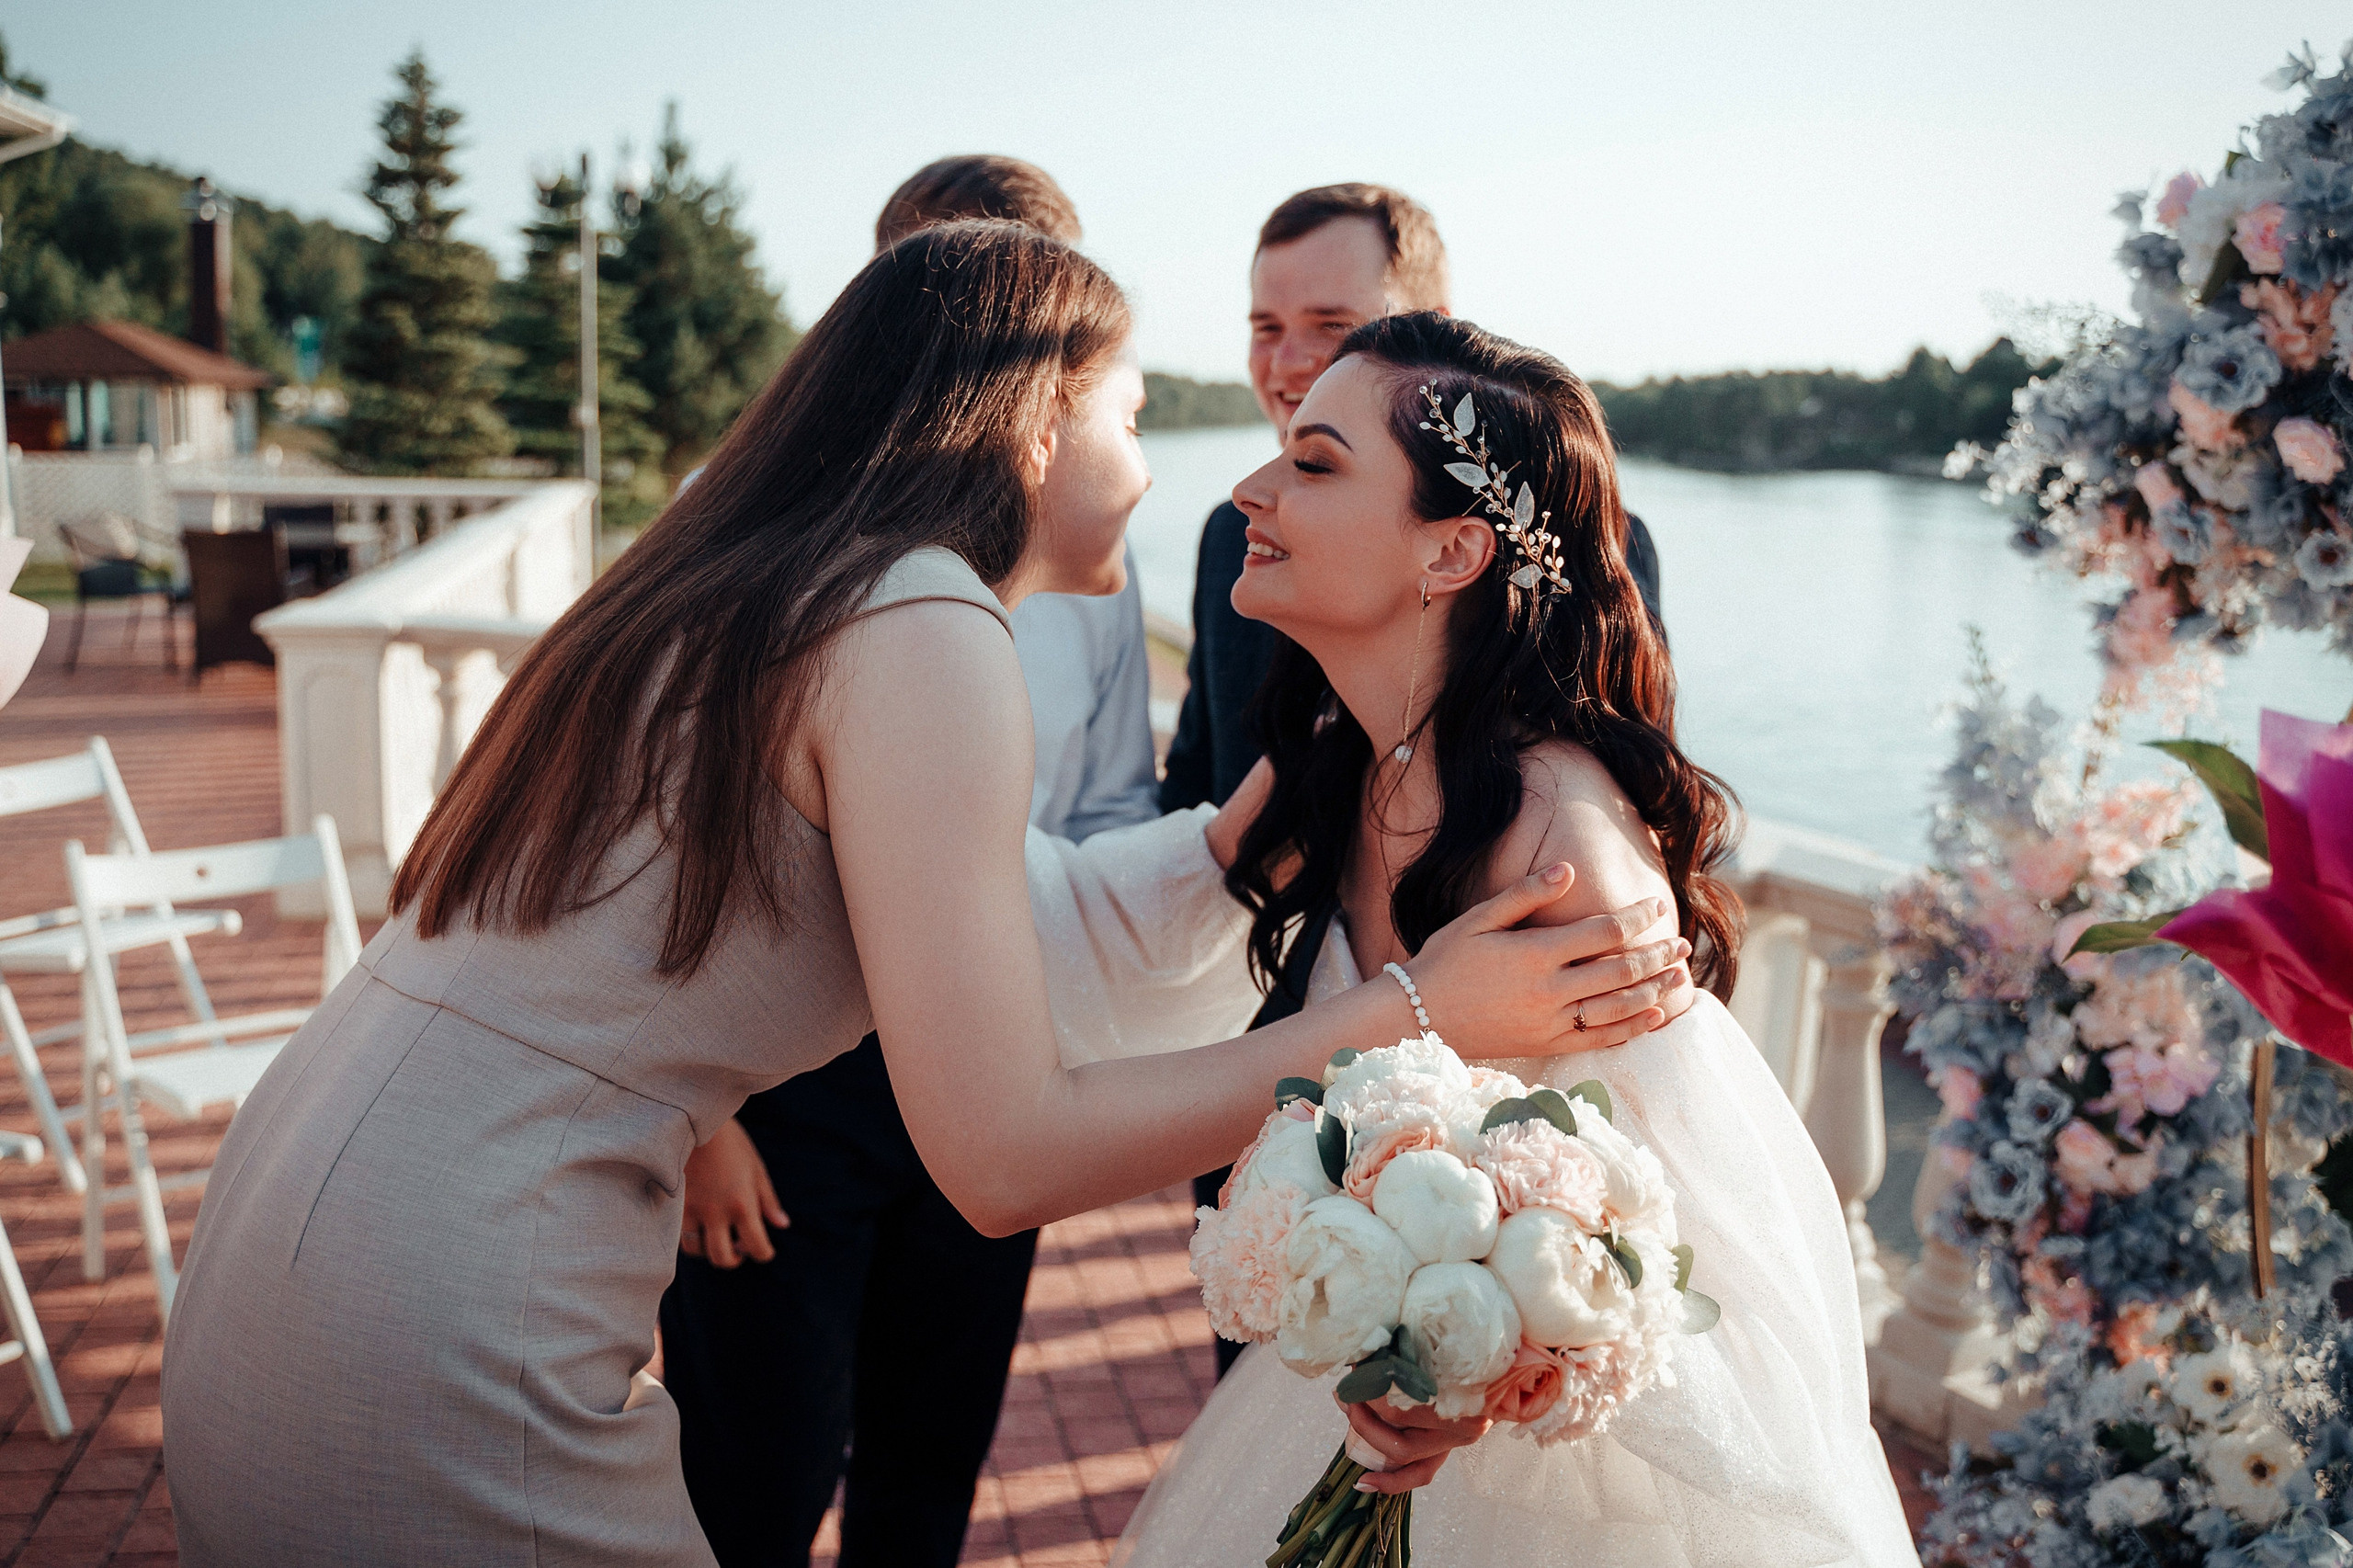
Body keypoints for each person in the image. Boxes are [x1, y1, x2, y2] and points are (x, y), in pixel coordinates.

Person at [157, 222, 1694, 1565]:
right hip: (446, 1298)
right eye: (1134, 414)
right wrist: (1413, 1012)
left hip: (301, 1227)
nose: (1184, 474)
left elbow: (1014, 914)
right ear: (1041, 422)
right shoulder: (924, 615)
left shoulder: (784, 581)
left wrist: (1242, 851)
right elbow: (1004, 1152)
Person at [1112, 313, 1917, 1566]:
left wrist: (1486, 1367)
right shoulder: (1343, 759)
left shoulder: (1562, 849)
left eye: (1314, 463)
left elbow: (1712, 1284)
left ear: (1452, 550)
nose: (1250, 488)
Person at [657, 155, 1162, 1568]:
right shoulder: (746, 511)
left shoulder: (1097, 557)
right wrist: (701, 1122)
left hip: (996, 1036)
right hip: (783, 1079)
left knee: (929, 1461)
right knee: (750, 1475)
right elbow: (670, 821)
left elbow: (1110, 803)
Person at [1159, 183, 1669, 1376]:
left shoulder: (1555, 799)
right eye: (1264, 326)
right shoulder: (1240, 544)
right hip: (1261, 1089)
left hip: (1482, 1201)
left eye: (1329, 327)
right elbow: (1199, 785)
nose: (1287, 360)